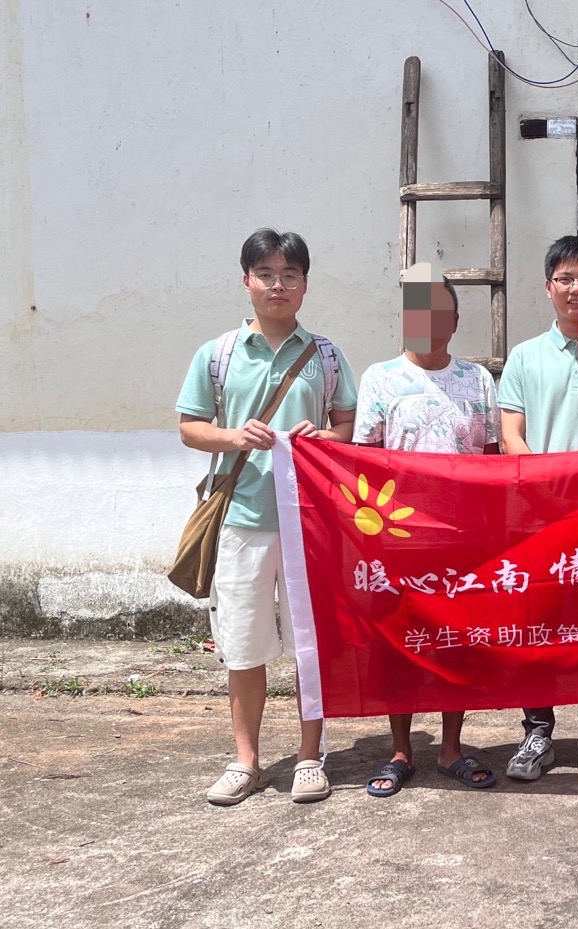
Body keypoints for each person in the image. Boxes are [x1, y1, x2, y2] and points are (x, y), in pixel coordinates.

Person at [177, 229, 358, 805]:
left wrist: (322, 437)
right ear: (246, 281)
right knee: (243, 644)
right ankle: (245, 761)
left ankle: (310, 756)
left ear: (305, 284)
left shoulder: (325, 355)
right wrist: (234, 436)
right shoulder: (218, 354)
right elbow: (189, 428)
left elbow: (348, 427)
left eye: (289, 275)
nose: (278, 285)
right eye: (266, 274)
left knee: (311, 645)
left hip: (311, 524)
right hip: (242, 518)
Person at [354, 269, 501, 797]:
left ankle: (451, 748)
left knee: (455, 643)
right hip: (399, 539)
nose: (429, 321)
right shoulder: (380, 379)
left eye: (440, 312)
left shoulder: (479, 380)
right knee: (399, 644)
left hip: (461, 537)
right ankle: (400, 750)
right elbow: (364, 460)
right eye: (419, 311)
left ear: (454, 322)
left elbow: (490, 459)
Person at [498, 235, 578, 784]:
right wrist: (552, 492)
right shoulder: (524, 357)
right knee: (537, 627)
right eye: (566, 279)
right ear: (548, 288)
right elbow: (511, 436)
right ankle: (537, 732)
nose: (576, 289)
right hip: (537, 518)